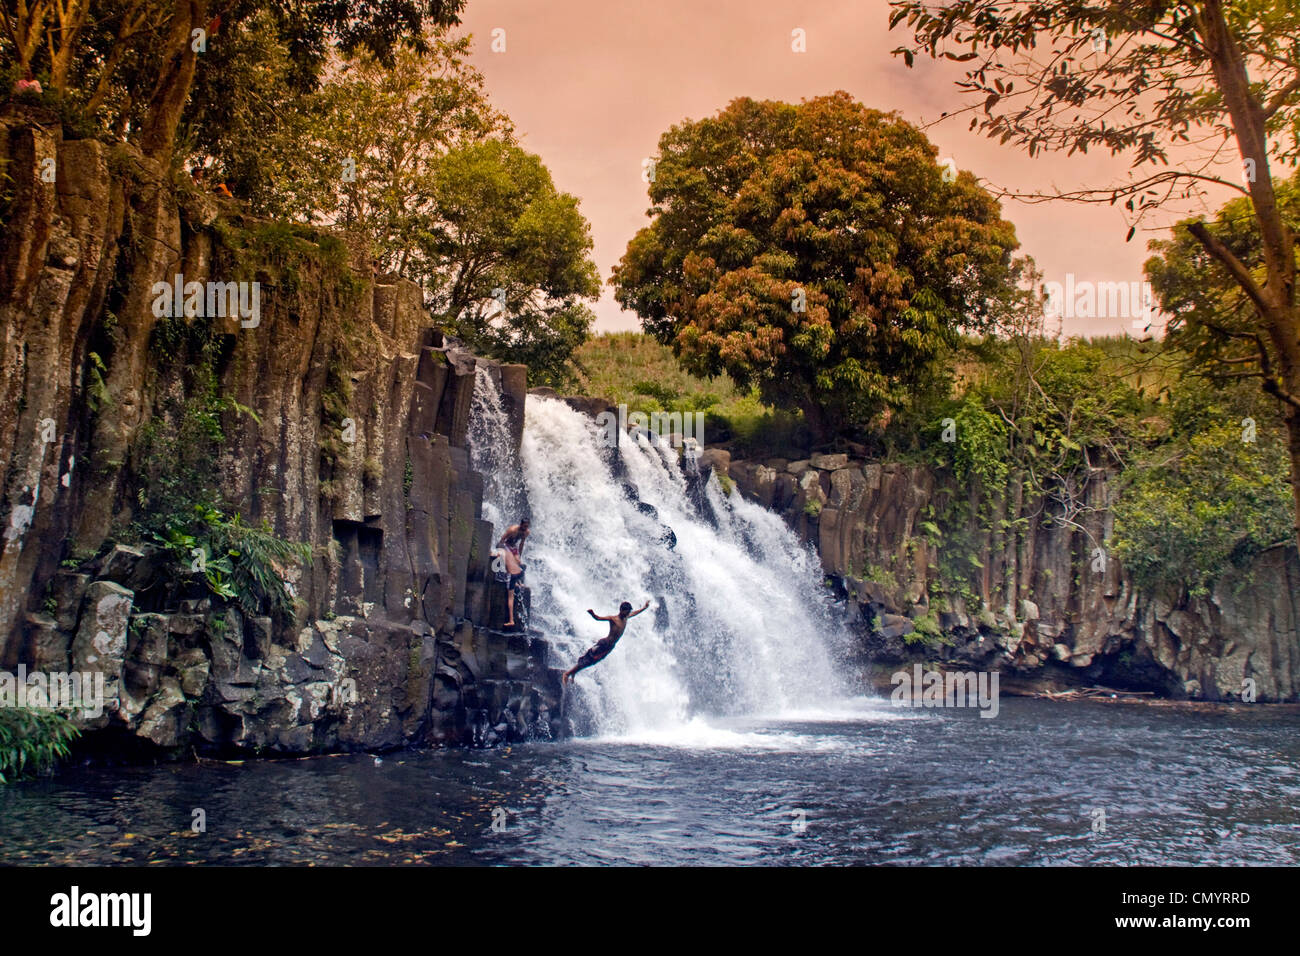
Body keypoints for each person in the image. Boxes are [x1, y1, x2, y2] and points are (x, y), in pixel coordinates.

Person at [563, 600, 650, 685]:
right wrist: (593, 614)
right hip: (603, 644)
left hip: (610, 647)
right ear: (621, 610)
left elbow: (635, 613)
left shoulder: (626, 617)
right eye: (627, 612)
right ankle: (567, 673)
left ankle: (574, 672)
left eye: (628, 612)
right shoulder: (613, 619)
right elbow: (598, 618)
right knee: (588, 659)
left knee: (592, 662)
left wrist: (644, 607)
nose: (628, 614)